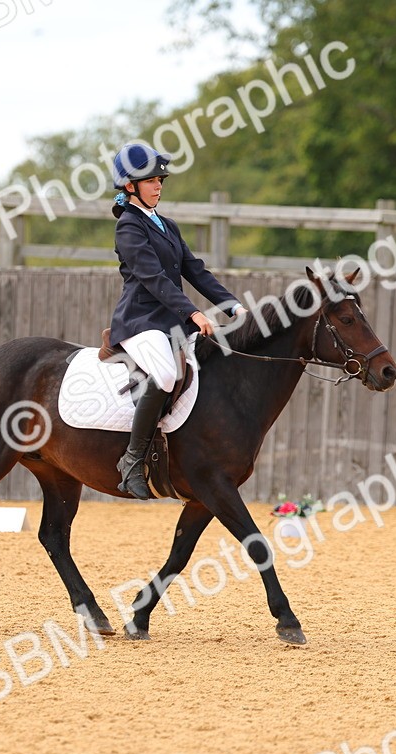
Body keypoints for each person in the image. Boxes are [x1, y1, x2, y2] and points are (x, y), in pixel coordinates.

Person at [108, 142, 248, 500]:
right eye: (150, 181)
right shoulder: (128, 227)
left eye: (160, 180)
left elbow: (195, 271)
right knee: (167, 374)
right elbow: (153, 278)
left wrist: (233, 307)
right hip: (140, 321)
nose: (158, 186)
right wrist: (193, 312)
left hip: (171, 322)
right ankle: (132, 459)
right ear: (130, 186)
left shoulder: (166, 225)